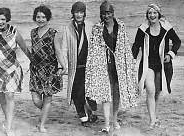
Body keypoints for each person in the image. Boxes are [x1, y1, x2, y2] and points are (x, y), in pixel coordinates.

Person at [84, 1, 139, 133]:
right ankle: (107, 124)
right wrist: (93, 67)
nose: (106, 16)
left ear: (113, 13)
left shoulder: (121, 26)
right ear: (101, 14)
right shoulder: (97, 28)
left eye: (108, 13)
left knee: (116, 94)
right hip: (103, 65)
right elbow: (93, 49)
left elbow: (125, 47)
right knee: (105, 95)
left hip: (118, 65)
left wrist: (129, 64)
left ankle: (114, 119)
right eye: (103, 13)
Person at [132, 4, 181, 128]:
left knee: (157, 91)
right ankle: (152, 120)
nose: (152, 15)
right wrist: (131, 61)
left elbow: (177, 41)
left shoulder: (166, 28)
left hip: (162, 65)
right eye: (149, 13)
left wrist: (170, 54)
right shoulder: (143, 29)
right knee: (150, 90)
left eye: (154, 13)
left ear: (159, 14)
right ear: (147, 15)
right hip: (147, 64)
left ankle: (153, 114)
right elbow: (136, 46)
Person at [0, 7, 30, 136]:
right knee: (2, 97)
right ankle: (8, 122)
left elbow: (24, 48)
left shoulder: (15, 32)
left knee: (10, 96)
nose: (0, 22)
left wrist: (33, 62)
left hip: (12, 68)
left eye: (3, 19)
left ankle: (8, 128)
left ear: (7, 19)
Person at [29, 5, 67, 132]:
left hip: (50, 69)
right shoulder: (33, 32)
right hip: (35, 70)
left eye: (43, 17)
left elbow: (58, 51)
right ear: (35, 18)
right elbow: (33, 50)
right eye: (38, 17)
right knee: (35, 99)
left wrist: (63, 66)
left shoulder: (53, 33)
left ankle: (42, 124)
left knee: (47, 97)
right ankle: (45, 111)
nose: (40, 19)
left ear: (48, 18)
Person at [62, 1, 98, 126]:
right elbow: (64, 48)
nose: (78, 15)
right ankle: (83, 118)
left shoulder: (90, 26)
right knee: (76, 93)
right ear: (73, 13)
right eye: (76, 12)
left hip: (88, 66)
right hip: (74, 66)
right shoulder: (68, 28)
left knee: (87, 92)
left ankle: (90, 112)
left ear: (84, 13)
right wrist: (64, 65)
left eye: (81, 12)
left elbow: (96, 45)